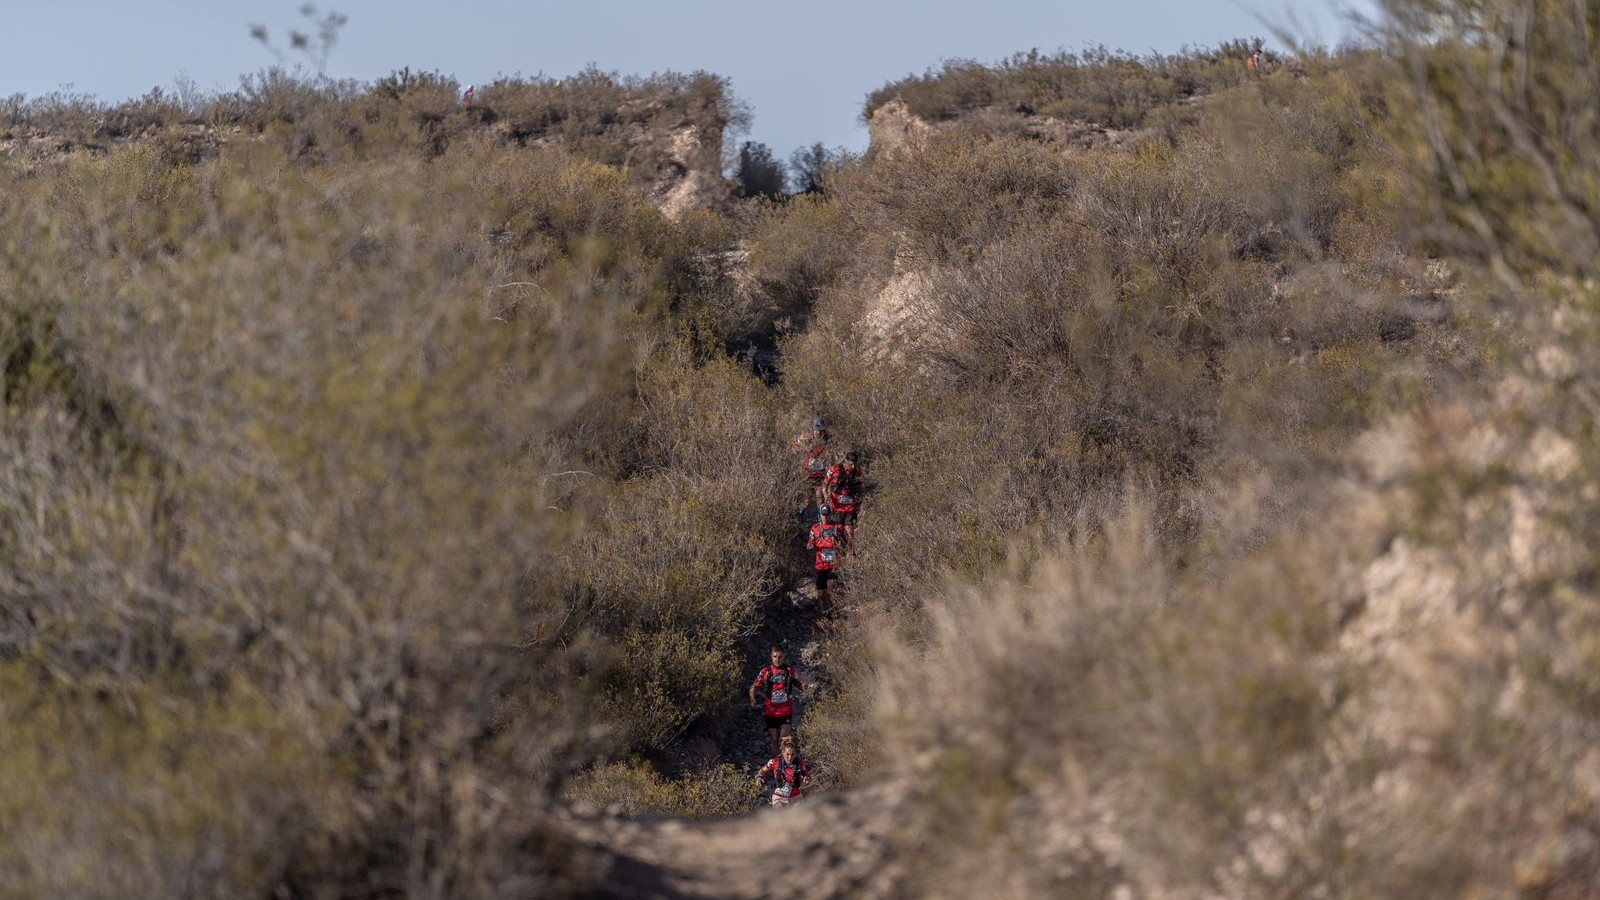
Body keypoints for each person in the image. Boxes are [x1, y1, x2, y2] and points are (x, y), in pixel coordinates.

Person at [749, 645, 806, 756]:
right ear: (771, 657)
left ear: (784, 657)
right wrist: (752, 698)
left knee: (785, 738)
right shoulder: (766, 671)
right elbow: (754, 686)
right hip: (770, 712)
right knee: (774, 739)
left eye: (780, 657)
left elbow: (799, 684)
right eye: (775, 656)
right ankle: (778, 763)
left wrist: (804, 686)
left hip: (785, 711)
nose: (777, 659)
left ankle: (788, 763)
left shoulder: (790, 671)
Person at [807, 513, 845, 619]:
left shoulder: (837, 527)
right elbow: (810, 543)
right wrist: (812, 544)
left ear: (830, 515)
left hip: (834, 563)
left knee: (833, 586)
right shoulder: (815, 528)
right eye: (824, 515)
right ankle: (825, 612)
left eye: (827, 515)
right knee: (821, 590)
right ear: (820, 515)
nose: (826, 517)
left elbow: (845, 541)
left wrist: (838, 543)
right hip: (820, 564)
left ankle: (836, 611)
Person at [755, 737, 813, 807]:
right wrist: (759, 777)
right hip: (779, 797)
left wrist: (806, 779)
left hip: (796, 797)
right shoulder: (774, 762)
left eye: (792, 754)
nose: (790, 757)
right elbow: (763, 770)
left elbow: (806, 775)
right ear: (783, 752)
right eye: (787, 754)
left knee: (800, 813)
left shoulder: (799, 763)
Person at [790, 418, 831, 510]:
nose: (818, 433)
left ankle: (821, 519)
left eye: (821, 430)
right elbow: (793, 448)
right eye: (816, 430)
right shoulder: (806, 437)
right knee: (807, 498)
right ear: (813, 429)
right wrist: (805, 448)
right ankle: (802, 517)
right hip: (808, 474)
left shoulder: (828, 439)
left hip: (821, 474)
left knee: (819, 497)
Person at [824, 452, 863, 543]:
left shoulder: (857, 473)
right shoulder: (834, 469)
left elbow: (860, 489)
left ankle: (851, 551)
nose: (853, 467)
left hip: (850, 507)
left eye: (855, 464)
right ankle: (837, 551)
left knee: (849, 529)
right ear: (846, 461)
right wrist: (826, 495)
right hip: (836, 507)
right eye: (851, 464)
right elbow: (825, 485)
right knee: (838, 529)